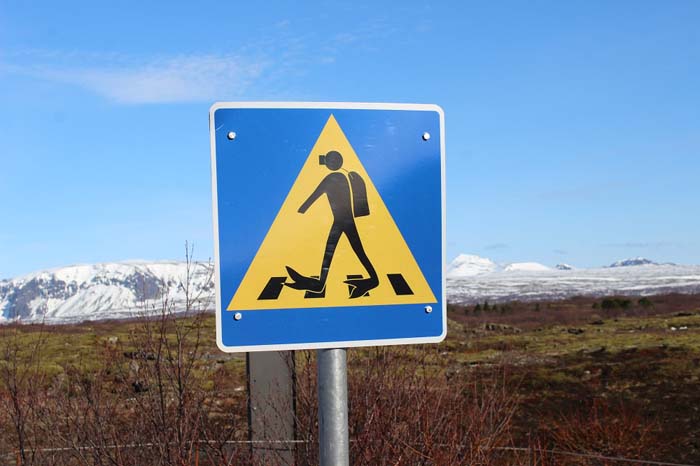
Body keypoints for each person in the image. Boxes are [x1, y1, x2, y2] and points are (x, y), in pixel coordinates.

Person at [285, 150, 379, 298]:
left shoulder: (333, 178)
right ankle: (322, 283)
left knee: (344, 250)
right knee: (345, 250)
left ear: (331, 163)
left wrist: (298, 212)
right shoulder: (344, 177)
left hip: (343, 221)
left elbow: (314, 196)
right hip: (342, 220)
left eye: (327, 161)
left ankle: (373, 280)